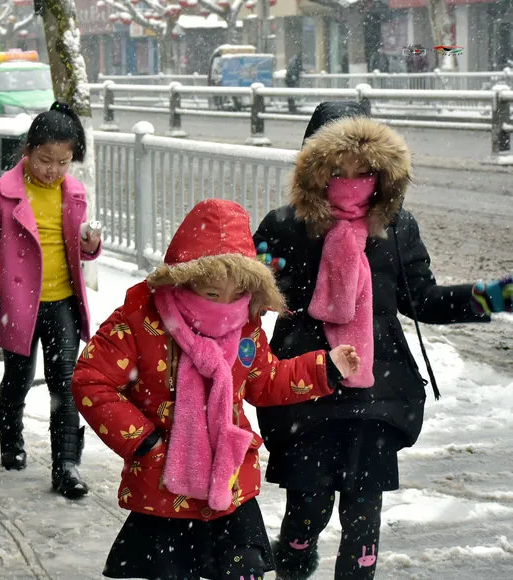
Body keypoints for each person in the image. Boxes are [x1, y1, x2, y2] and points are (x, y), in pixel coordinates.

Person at [253, 101, 513, 580]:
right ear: (314, 165)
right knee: (307, 505)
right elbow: (250, 295)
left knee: (362, 512)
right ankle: (294, 551)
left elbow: (424, 299)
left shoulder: (397, 227)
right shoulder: (284, 224)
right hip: (305, 384)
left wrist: (488, 297)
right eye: (337, 164)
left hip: (377, 385)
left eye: (364, 166)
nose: (351, 175)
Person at [72, 198, 361, 580]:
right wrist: (143, 441)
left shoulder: (245, 325)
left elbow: (264, 381)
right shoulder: (140, 318)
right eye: (211, 293)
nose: (224, 305)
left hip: (228, 484)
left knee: (243, 572)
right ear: (183, 278)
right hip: (164, 487)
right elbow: (91, 379)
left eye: (235, 293)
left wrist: (325, 369)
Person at [0, 101, 102, 499]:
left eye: (63, 162)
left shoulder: (73, 193)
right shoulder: (2, 192)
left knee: (65, 384)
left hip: (62, 301)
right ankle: (10, 434)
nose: (54, 170)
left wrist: (90, 246)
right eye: (45, 160)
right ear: (27, 151)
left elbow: (78, 249)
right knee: (19, 378)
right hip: (17, 304)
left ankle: (66, 464)